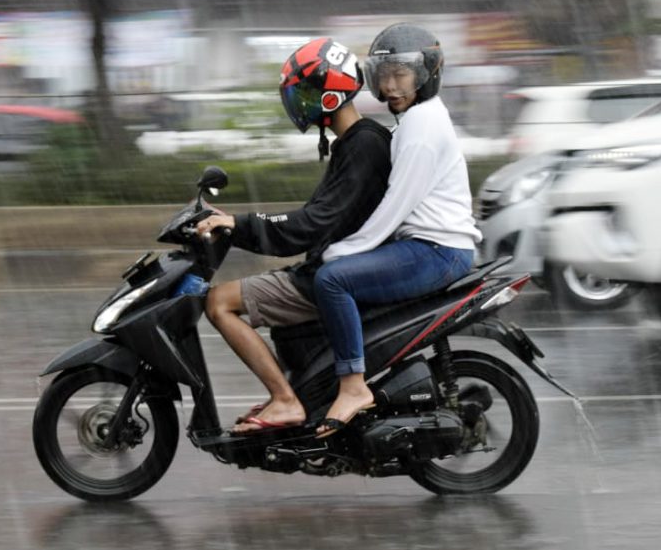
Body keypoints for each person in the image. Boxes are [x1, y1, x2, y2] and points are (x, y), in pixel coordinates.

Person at [195, 38, 392, 435]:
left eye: (306, 93)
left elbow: (311, 224)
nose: (299, 102)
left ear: (331, 93)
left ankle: (285, 401)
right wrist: (240, 224)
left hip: (335, 271)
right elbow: (318, 221)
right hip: (335, 264)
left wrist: (239, 225)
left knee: (218, 301)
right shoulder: (355, 143)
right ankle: (292, 393)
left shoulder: (364, 145)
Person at [310, 23, 481, 438]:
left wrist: (347, 249)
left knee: (332, 280)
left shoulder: (421, 127)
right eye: (382, 77)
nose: (390, 88)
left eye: (400, 75)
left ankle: (353, 386)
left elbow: (396, 205)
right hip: (432, 247)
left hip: (437, 251)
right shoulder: (420, 119)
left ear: (428, 73)